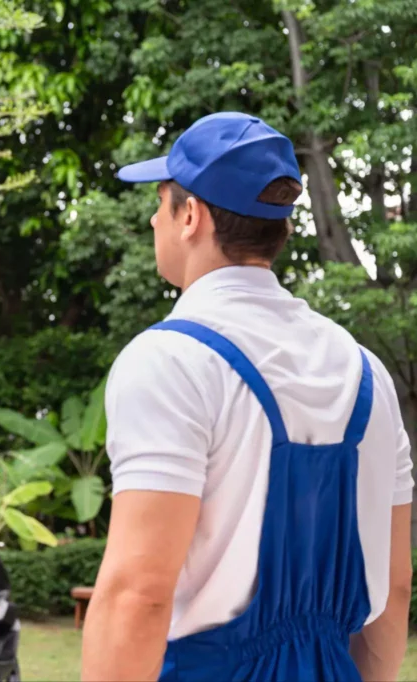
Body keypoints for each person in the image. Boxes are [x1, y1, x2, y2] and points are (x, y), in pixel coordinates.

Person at [81, 112, 413, 681]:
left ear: (191, 216)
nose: (154, 219)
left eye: (160, 203)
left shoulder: (170, 362)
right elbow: (396, 584)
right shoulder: (366, 373)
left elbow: (138, 595)